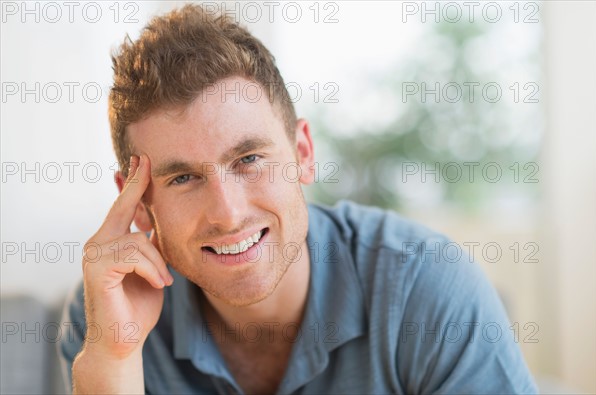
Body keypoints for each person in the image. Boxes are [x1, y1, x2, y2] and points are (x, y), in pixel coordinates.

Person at [59, 4, 538, 394]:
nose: (228, 214)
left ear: (303, 154)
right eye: (183, 178)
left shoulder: (426, 286)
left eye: (248, 159)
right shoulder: (108, 311)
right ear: (139, 202)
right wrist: (114, 359)